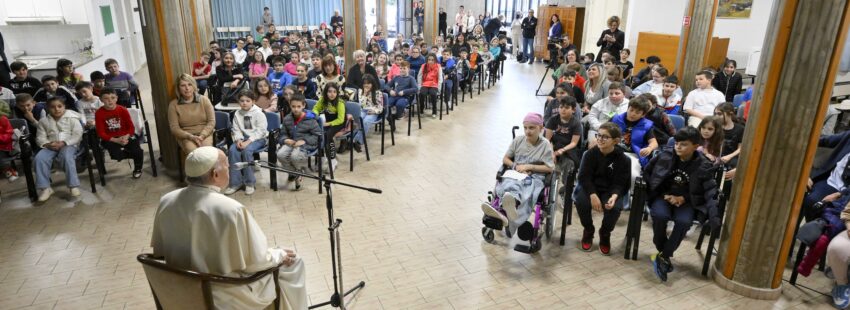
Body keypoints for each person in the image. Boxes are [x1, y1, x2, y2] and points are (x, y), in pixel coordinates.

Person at [151, 146, 308, 309]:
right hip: (222, 294)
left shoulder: (167, 200)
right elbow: (256, 262)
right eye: (227, 164)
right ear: (215, 174)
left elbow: (159, 251)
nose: (230, 168)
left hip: (181, 290)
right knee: (294, 264)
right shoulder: (230, 209)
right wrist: (279, 254)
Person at [646, 127, 718, 282]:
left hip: (688, 202)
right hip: (662, 197)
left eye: (683, 144)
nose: (678, 147)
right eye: (677, 143)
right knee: (659, 215)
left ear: (695, 146)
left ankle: (663, 256)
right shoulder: (664, 155)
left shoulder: (703, 165)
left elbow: (708, 191)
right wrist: (665, 195)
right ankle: (664, 254)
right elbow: (648, 174)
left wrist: (683, 198)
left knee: (683, 222)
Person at [480, 112, 554, 238]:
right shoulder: (518, 140)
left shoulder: (545, 144)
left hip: (534, 176)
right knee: (509, 182)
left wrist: (529, 167)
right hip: (516, 172)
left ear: (541, 128)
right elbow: (506, 159)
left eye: (532, 128)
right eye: (525, 128)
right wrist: (516, 167)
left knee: (526, 189)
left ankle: (506, 210)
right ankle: (509, 204)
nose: (527, 131)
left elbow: (550, 168)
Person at [574, 122, 631, 254]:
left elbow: (622, 183)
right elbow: (584, 177)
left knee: (615, 208)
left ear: (616, 141)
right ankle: (588, 229)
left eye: (605, 137)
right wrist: (592, 195)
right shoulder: (589, 154)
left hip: (610, 190)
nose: (599, 139)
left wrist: (614, 196)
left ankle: (605, 233)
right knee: (581, 202)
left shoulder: (624, 159)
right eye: (598, 135)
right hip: (591, 188)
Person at [34, 98, 84, 202]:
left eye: (59, 106)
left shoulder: (72, 118)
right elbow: (40, 137)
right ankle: (45, 188)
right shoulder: (43, 121)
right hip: (51, 146)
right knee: (39, 159)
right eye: (52, 107)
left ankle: (73, 186)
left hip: (68, 144)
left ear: (64, 107)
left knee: (66, 157)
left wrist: (64, 143)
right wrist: (47, 144)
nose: (56, 109)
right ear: (48, 108)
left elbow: (77, 134)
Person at [223, 91, 268, 195]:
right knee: (232, 150)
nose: (244, 103)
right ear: (238, 102)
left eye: (247, 101)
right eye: (242, 101)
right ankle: (235, 183)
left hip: (258, 139)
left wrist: (248, 142)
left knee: (246, 151)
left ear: (253, 101)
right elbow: (236, 129)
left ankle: (249, 183)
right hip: (243, 139)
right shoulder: (237, 113)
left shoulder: (259, 113)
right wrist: (238, 140)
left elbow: (261, 131)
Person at [95, 89, 144, 179]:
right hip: (111, 138)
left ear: (116, 98)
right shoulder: (99, 113)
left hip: (126, 135)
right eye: (106, 98)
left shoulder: (122, 110)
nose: (110, 100)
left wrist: (126, 137)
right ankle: (135, 155)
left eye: (112, 98)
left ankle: (137, 168)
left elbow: (131, 128)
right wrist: (116, 140)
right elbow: (101, 133)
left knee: (137, 150)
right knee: (117, 156)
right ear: (101, 100)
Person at [276, 94, 321, 191]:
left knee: (294, 156)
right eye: (293, 106)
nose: (296, 109)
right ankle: (298, 174)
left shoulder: (310, 119)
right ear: (290, 105)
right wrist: (285, 139)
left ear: (304, 105)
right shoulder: (287, 119)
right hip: (291, 143)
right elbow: (282, 134)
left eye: (298, 106)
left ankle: (296, 174)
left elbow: (318, 136)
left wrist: (304, 140)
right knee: (280, 154)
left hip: (305, 145)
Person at [167, 74, 215, 153]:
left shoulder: (204, 100)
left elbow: (211, 121)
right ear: (178, 88)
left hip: (205, 133)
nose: (187, 88)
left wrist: (202, 135)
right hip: (186, 136)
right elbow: (174, 128)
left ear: (194, 86)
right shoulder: (173, 105)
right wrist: (190, 137)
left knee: (207, 153)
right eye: (183, 85)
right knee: (194, 154)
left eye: (189, 84)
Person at [544, 96, 581, 188]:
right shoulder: (553, 120)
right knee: (546, 160)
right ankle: (546, 184)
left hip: (568, 148)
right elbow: (547, 139)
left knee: (569, 164)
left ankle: (566, 187)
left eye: (567, 108)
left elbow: (574, 143)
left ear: (573, 110)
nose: (563, 110)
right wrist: (552, 152)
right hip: (553, 145)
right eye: (561, 107)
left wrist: (562, 150)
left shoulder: (576, 123)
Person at [612, 96, 659, 168]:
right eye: (631, 110)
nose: (633, 114)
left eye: (637, 112)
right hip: (613, 150)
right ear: (627, 109)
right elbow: (604, 131)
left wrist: (649, 148)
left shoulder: (647, 125)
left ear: (643, 115)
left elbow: (654, 143)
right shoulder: (616, 119)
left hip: (633, 155)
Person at [313, 83, 346, 171]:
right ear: (326, 92)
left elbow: (341, 120)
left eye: (334, 92)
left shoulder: (340, 103)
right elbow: (315, 109)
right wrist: (316, 115)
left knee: (328, 135)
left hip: (338, 123)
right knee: (319, 134)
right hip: (327, 121)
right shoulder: (322, 100)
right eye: (330, 91)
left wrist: (328, 124)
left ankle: (332, 159)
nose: (332, 94)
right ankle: (322, 157)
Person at [587, 81, 628, 148]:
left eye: (617, 93)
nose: (613, 96)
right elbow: (592, 116)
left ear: (624, 94)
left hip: (618, 133)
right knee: (593, 145)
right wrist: (599, 127)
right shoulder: (601, 102)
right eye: (611, 93)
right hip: (597, 130)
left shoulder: (629, 105)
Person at [352, 74, 383, 153]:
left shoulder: (378, 92)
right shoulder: (360, 91)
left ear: (372, 83)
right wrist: (365, 95)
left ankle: (357, 141)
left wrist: (374, 111)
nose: (366, 85)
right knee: (358, 120)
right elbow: (362, 104)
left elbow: (380, 107)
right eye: (364, 83)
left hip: (373, 111)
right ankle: (354, 140)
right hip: (363, 110)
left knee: (365, 122)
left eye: (368, 83)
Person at [715, 102, 744, 181]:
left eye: (719, 114)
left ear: (730, 114)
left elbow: (740, 148)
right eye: (716, 114)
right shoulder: (715, 126)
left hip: (731, 156)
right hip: (716, 155)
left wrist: (729, 156)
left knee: (735, 168)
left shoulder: (740, 129)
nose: (717, 116)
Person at [418, 54, 443, 119]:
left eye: (432, 60)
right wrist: (419, 87)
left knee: (433, 93)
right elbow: (419, 76)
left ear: (435, 60)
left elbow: (440, 78)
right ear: (427, 60)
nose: (430, 61)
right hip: (425, 83)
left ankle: (434, 111)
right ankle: (421, 109)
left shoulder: (438, 66)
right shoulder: (423, 66)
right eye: (429, 60)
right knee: (422, 93)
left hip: (434, 84)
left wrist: (439, 88)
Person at [0, 111, 17, 182]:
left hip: (5, 146)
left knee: (1, 158)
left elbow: (9, 135)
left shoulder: (3, 119)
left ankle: (10, 173)